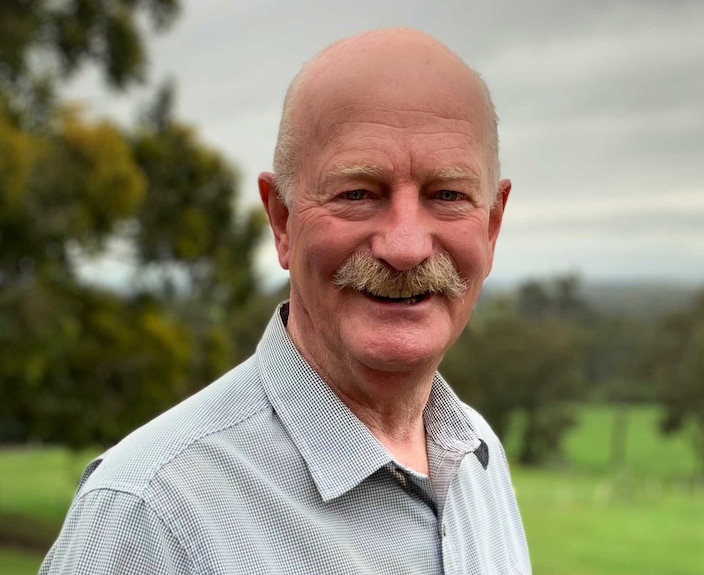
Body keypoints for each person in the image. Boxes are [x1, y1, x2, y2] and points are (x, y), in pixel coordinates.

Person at [40, 27, 530, 574]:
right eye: (357, 194)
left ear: (491, 226)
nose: (405, 248)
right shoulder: (149, 515)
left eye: (447, 196)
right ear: (282, 221)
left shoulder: (477, 459)